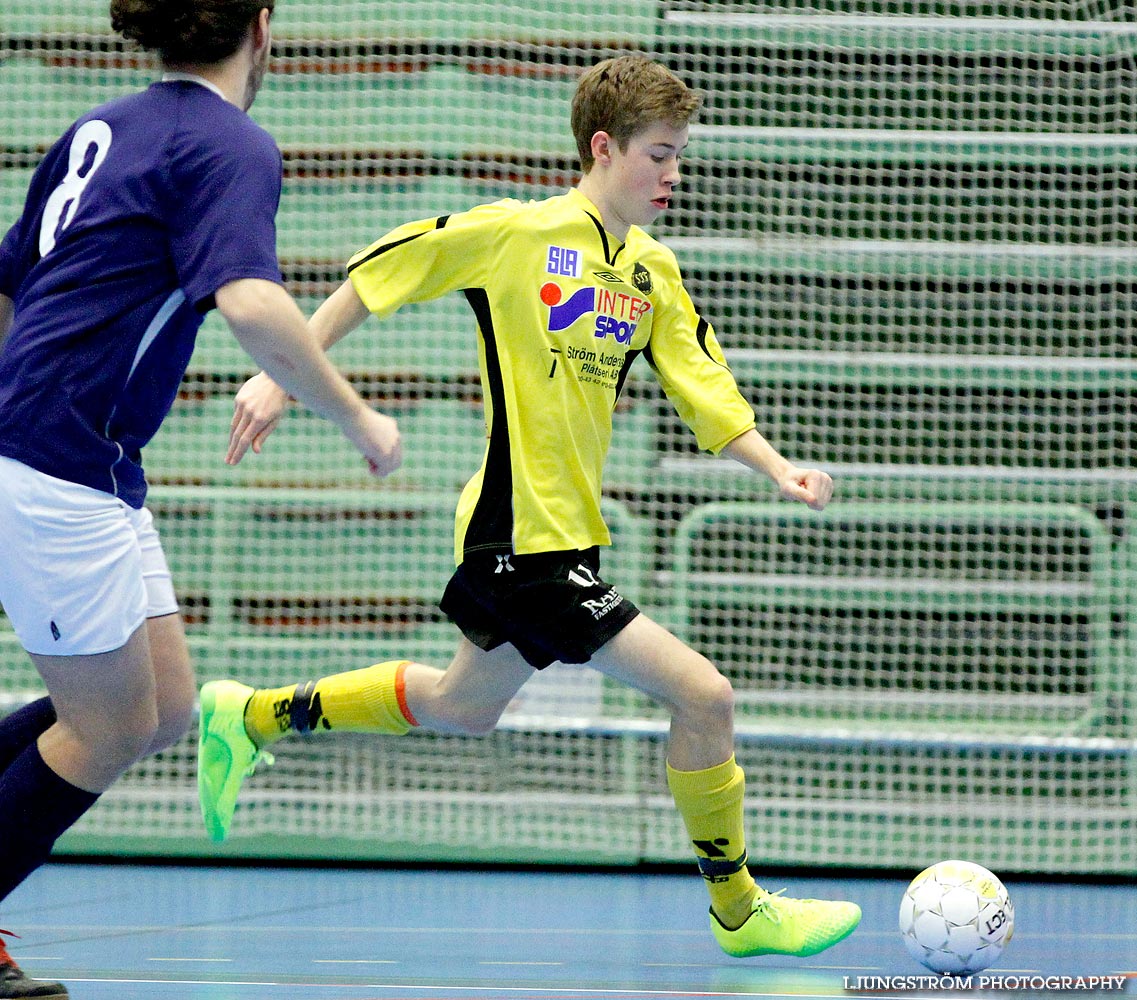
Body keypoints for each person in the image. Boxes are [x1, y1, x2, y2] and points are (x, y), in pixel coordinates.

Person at [197, 55, 860, 960]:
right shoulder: (517, 233)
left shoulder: (649, 271)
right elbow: (383, 270)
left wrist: (774, 468)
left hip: (565, 540)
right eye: (660, 156)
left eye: (679, 157)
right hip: (518, 539)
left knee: (459, 705)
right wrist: (281, 379)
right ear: (603, 147)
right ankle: (740, 909)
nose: (675, 175)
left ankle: (249, 714)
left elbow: (701, 382)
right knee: (704, 694)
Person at [0, 2, 402, 996]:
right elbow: (253, 300)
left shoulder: (103, 125)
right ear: (261, 27)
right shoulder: (230, 142)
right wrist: (360, 419)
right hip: (53, 457)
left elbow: (9, 284)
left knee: (165, 704)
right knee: (108, 729)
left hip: (84, 457)